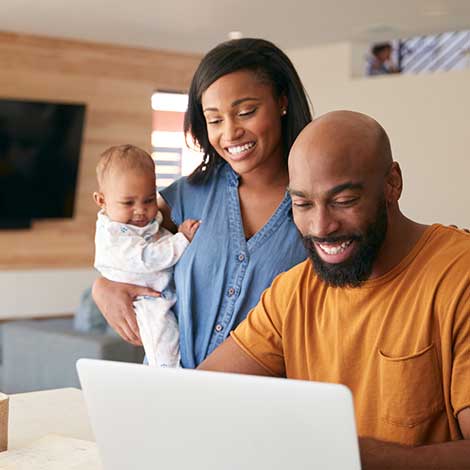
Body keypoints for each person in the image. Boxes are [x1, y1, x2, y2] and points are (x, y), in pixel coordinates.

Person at [199, 111, 470, 468]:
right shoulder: (293, 291)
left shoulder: (459, 276)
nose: (321, 226)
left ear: (392, 184)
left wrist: (360, 458)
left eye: (343, 201)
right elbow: (199, 399)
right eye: (302, 204)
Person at [92, 38, 313, 368]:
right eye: (214, 119)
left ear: (282, 101)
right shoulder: (186, 195)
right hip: (179, 396)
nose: (230, 132)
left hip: (269, 404)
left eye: (246, 112)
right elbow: (122, 242)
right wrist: (102, 287)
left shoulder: (318, 204)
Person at [93, 144, 199, 367]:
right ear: (102, 201)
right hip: (144, 300)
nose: (140, 210)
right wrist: (182, 239)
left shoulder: (137, 222)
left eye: (149, 200)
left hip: (160, 292)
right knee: (164, 340)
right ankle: (167, 375)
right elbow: (148, 258)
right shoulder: (114, 236)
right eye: (128, 203)